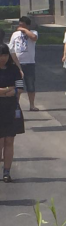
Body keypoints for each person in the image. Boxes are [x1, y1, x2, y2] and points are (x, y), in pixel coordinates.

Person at [0, 44, 25, 182]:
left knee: (9, 141)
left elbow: (20, 88)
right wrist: (8, 89)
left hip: (11, 108)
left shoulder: (14, 69)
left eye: (5, 55)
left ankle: (6, 172)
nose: (2, 58)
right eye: (0, 55)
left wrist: (12, 90)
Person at [8, 16, 39, 111]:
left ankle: (32, 105)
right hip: (17, 63)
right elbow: (11, 47)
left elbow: (34, 38)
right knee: (17, 85)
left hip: (29, 63)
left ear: (28, 25)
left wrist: (25, 30)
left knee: (30, 85)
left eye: (23, 25)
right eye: (20, 25)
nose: (20, 27)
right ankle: (16, 105)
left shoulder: (33, 32)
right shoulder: (15, 34)